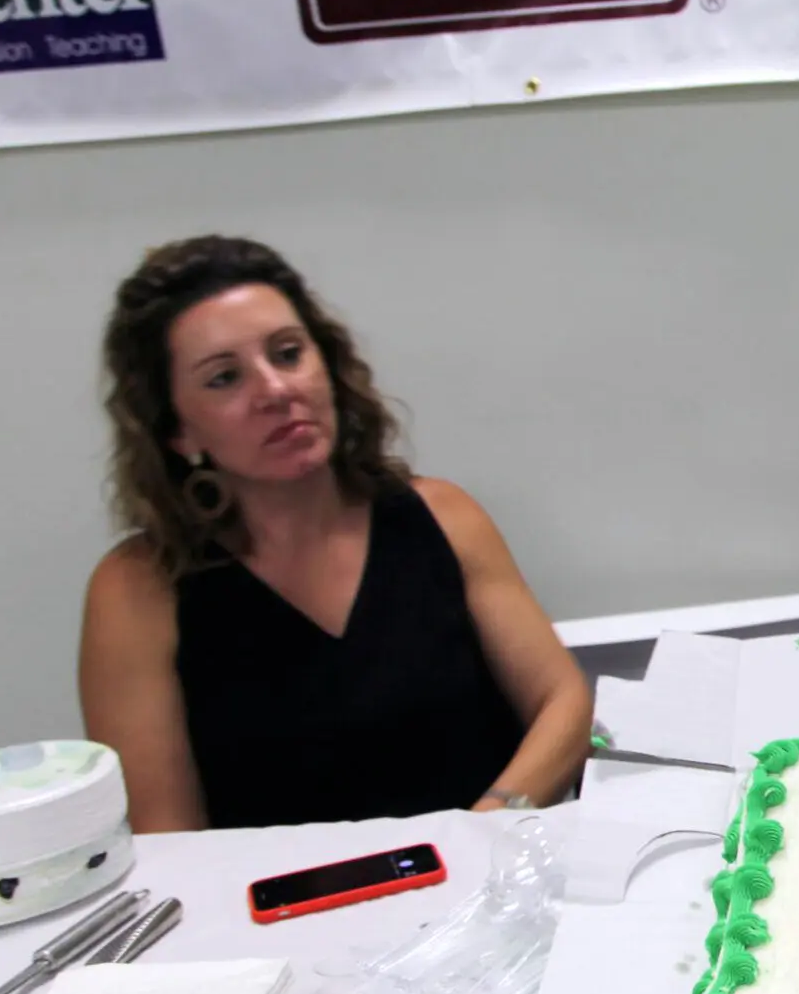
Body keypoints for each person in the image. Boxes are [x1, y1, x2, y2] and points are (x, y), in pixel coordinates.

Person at [79, 236, 593, 831]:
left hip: (490, 880)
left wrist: (488, 825)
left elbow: (564, 703)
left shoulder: (444, 517)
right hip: (281, 916)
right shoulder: (137, 591)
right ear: (177, 433)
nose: (276, 390)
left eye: (289, 353)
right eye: (224, 378)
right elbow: (169, 844)